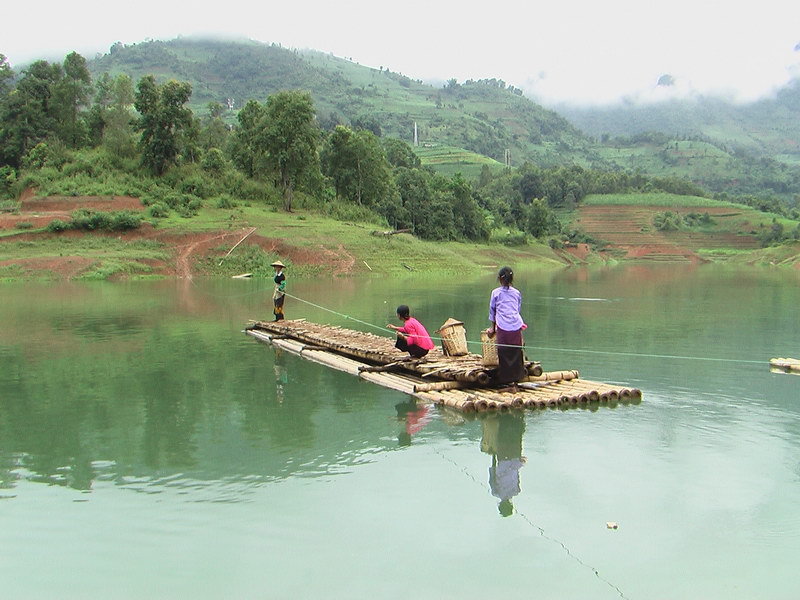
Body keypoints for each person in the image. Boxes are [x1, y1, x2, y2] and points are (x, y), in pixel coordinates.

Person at [486, 266, 528, 385]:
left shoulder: (495, 293)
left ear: (499, 279)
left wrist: (493, 328)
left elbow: (492, 311)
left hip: (503, 325)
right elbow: (517, 309)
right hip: (516, 324)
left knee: (504, 351)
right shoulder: (517, 293)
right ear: (512, 279)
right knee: (516, 351)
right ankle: (517, 377)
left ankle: (506, 379)